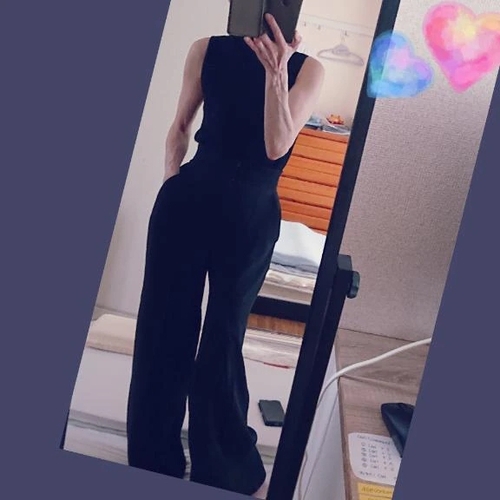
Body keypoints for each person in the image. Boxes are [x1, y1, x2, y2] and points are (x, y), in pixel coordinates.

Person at [126, 13, 324, 498]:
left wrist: (276, 72)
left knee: (224, 338)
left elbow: (276, 146)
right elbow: (179, 127)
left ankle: (223, 470)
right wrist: (172, 185)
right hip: (186, 202)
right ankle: (152, 460)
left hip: (251, 216)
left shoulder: (309, 69)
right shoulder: (205, 48)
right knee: (162, 331)